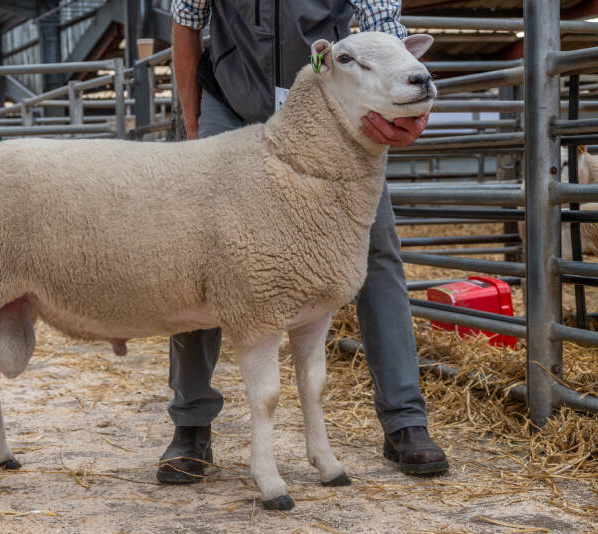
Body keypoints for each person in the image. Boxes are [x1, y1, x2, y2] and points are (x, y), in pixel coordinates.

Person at [156, 0, 449, 484]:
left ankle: (404, 420)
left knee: (373, 244)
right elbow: (187, 23)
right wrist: (192, 125)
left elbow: (383, 27)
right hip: (230, 105)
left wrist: (406, 109)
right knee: (205, 251)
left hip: (328, 105)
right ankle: (191, 422)